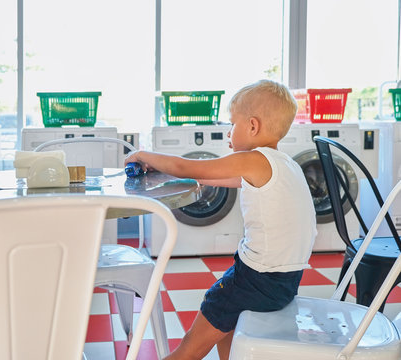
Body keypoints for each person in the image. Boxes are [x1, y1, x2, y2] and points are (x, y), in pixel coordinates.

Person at [125, 79, 317, 359]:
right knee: (226, 328)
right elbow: (202, 175)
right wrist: (162, 170)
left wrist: (143, 155)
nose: (229, 132)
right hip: (284, 282)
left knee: (190, 349)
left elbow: (186, 166)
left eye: (232, 124)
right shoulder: (284, 164)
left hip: (254, 280)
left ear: (252, 126)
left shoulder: (253, 160)